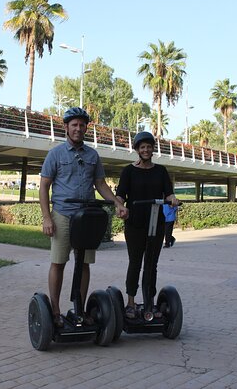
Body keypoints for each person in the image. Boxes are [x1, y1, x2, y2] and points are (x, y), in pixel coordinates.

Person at [39, 107, 128, 328]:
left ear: (86, 128)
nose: (78, 128)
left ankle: (80, 309)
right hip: (62, 214)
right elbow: (44, 186)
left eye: (82, 125)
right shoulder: (56, 154)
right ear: (66, 128)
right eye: (74, 125)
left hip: (86, 217)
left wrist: (117, 203)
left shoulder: (92, 155)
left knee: (85, 263)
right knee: (58, 262)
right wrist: (47, 218)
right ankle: (56, 311)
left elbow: (100, 184)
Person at [115, 131, 180, 319]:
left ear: (153, 149)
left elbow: (168, 193)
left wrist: (173, 199)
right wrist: (119, 207)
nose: (146, 150)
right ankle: (130, 302)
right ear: (136, 149)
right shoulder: (129, 171)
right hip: (135, 223)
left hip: (156, 223)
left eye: (149, 147)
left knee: (152, 263)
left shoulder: (161, 171)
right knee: (135, 262)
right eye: (142, 147)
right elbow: (121, 194)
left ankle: (149, 303)